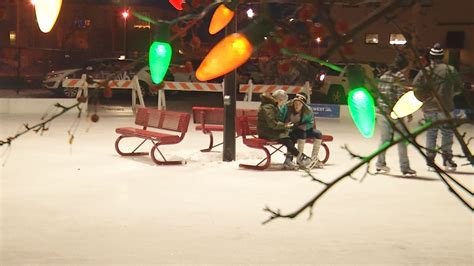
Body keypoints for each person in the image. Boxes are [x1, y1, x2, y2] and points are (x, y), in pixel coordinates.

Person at [413, 43, 463, 172]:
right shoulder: (450, 70)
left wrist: (423, 99)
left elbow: (416, 86)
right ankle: (447, 159)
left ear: (430, 57)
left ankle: (430, 160)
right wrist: (451, 93)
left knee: (431, 133)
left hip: (429, 108)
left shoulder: (425, 71)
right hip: (446, 107)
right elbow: (459, 87)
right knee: (447, 133)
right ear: (442, 56)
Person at [375, 53, 417, 177]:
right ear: (403, 67)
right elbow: (401, 98)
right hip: (394, 113)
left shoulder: (383, 76)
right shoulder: (400, 78)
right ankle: (405, 167)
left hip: (380, 111)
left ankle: (380, 163)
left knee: (385, 140)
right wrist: (408, 112)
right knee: (402, 140)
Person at [257, 92, 311, 169]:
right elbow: (272, 123)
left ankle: (291, 159)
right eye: (283, 101)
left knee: (291, 135)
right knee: (286, 138)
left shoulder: (272, 106)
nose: (283, 104)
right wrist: (284, 125)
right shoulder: (268, 108)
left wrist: (285, 126)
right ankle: (300, 157)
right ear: (279, 99)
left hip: (270, 130)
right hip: (266, 132)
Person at [279, 93, 324, 169]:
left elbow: (311, 123)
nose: (297, 106)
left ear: (303, 105)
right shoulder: (286, 107)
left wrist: (304, 127)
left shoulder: (308, 110)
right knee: (292, 136)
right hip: (289, 129)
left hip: (302, 128)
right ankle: (296, 159)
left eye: (299, 104)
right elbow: (279, 118)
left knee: (318, 133)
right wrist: (284, 126)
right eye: (295, 103)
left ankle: (314, 158)